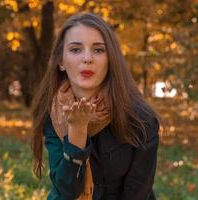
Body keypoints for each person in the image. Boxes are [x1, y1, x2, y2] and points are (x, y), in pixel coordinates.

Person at [31, 12, 161, 200]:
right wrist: (77, 130)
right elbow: (66, 190)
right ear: (61, 61)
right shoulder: (54, 113)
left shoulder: (140, 119)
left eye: (98, 50)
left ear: (111, 59)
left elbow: (138, 193)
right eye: (76, 50)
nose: (87, 58)